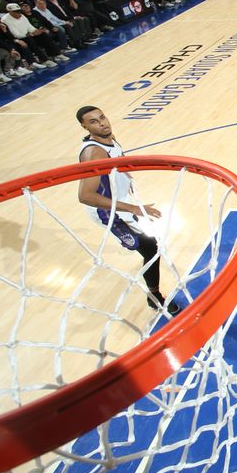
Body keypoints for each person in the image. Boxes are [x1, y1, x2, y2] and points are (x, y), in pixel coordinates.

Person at [76, 106, 180, 316]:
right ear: (84, 127)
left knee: (150, 246)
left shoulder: (109, 138)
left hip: (120, 201)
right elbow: (85, 195)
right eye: (94, 122)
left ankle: (153, 291)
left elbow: (117, 159)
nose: (102, 123)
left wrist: (126, 178)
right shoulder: (94, 152)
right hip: (106, 210)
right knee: (150, 248)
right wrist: (133, 207)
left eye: (102, 117)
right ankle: (155, 299)